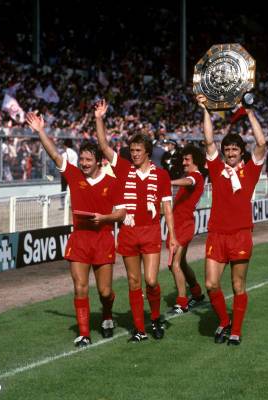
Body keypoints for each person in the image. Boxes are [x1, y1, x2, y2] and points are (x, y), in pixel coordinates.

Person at [26, 112, 126, 347]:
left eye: (88, 160)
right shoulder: (73, 175)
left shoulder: (112, 183)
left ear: (99, 161)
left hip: (103, 239)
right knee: (80, 287)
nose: (83, 163)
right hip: (80, 240)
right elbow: (54, 154)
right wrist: (41, 130)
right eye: (82, 159)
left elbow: (122, 213)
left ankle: (107, 315)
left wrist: (105, 218)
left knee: (104, 292)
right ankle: (84, 333)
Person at [95, 99, 178, 342]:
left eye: (138, 151)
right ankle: (140, 329)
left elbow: (167, 207)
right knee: (133, 282)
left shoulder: (161, 175)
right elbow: (102, 144)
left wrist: (171, 235)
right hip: (129, 232)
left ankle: (154, 319)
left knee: (151, 281)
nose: (134, 154)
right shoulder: (123, 168)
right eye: (132, 151)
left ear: (147, 152)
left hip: (151, 231)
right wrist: (99, 118)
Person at [197, 93, 266, 346]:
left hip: (240, 234)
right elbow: (207, 140)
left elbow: (261, 143)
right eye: (227, 149)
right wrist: (205, 109)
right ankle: (224, 321)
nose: (230, 152)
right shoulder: (216, 169)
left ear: (241, 152)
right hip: (217, 233)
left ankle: (235, 330)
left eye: (234, 149)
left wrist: (249, 113)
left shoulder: (250, 171)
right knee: (211, 284)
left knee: (238, 284)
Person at [166, 144, 206, 314]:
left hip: (184, 225)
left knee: (174, 263)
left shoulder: (195, 176)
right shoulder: (190, 176)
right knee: (180, 262)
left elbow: (189, 181)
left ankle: (182, 301)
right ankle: (196, 292)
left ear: (195, 161)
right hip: (178, 224)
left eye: (186, 159)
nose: (183, 162)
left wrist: (168, 182)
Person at [60, 139, 78, 208]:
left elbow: (62, 164)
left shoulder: (64, 154)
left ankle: (63, 204)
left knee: (63, 189)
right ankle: (73, 203)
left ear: (65, 145)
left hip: (65, 172)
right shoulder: (75, 153)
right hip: (73, 173)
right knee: (73, 189)